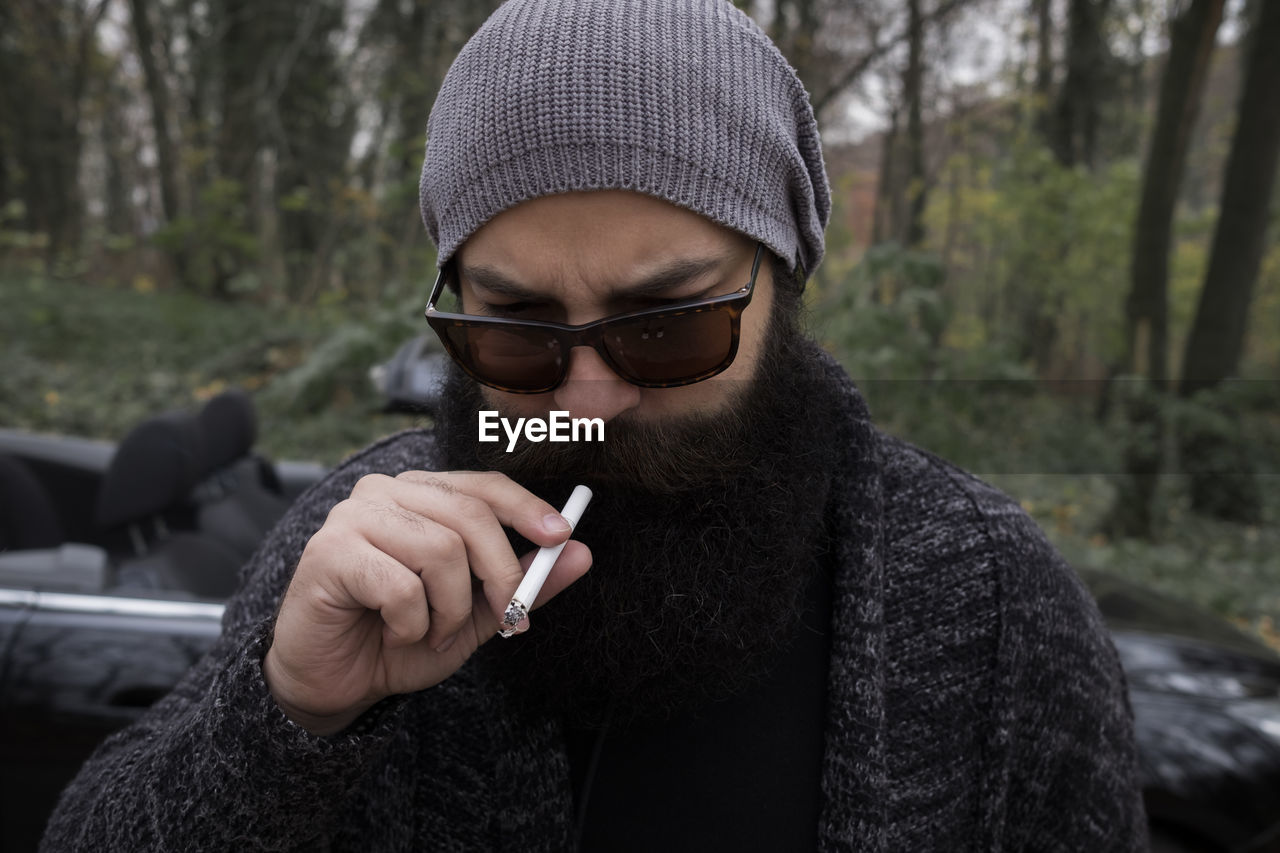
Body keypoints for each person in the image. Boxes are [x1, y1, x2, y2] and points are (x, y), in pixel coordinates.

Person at [42, 0, 1148, 849]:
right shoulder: (358, 537)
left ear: (785, 279)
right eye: (515, 331)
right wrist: (287, 716)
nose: (583, 399)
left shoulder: (989, 599)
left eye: (666, 328)